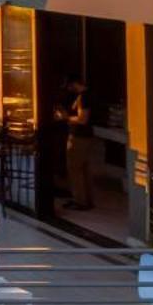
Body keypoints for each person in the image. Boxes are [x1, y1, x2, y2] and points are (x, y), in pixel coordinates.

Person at [55, 77, 96, 210]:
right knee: (83, 169)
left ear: (75, 84)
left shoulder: (84, 97)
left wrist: (65, 118)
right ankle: (87, 200)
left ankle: (80, 201)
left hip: (79, 137)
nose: (69, 89)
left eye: (70, 85)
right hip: (85, 136)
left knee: (75, 169)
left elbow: (83, 119)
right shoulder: (86, 96)